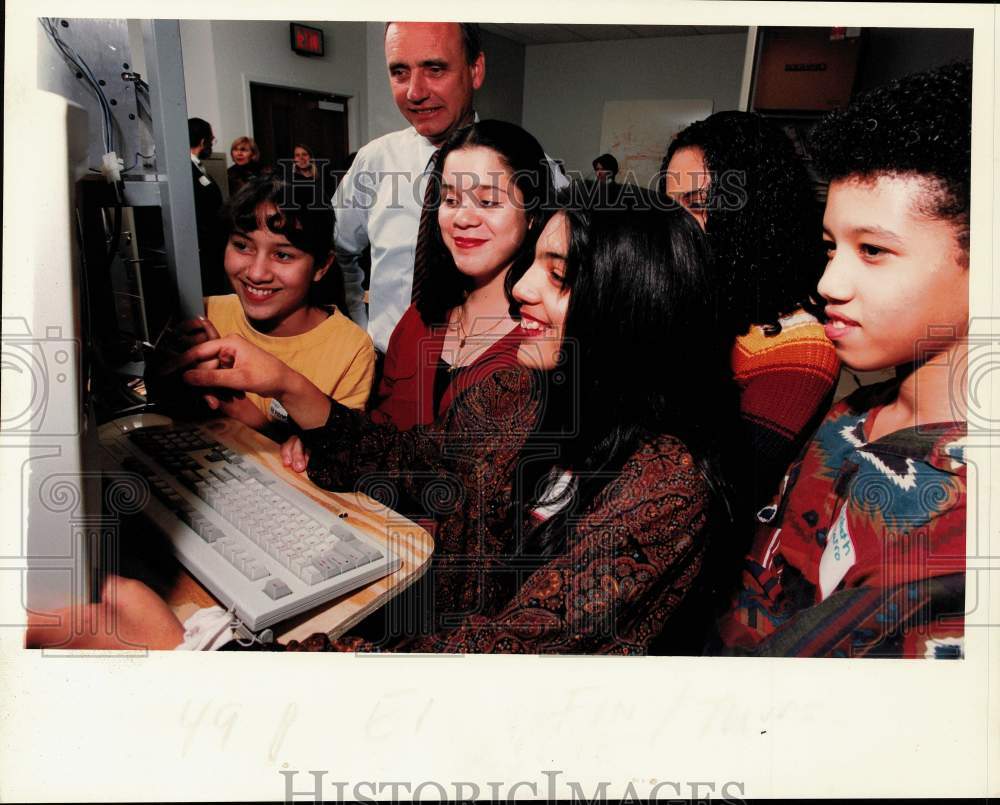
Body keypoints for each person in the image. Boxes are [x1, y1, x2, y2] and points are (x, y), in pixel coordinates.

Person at [29, 198, 741, 655]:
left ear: (628, 312)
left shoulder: (667, 485)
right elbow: (411, 460)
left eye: (558, 276)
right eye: (535, 266)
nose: (522, 287)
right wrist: (286, 384)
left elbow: (510, 654)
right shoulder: (523, 388)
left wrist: (227, 657)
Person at [715, 62, 970, 658]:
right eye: (832, 247)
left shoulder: (963, 514)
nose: (830, 281)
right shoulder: (852, 415)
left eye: (873, 250)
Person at [333, 22, 568, 358]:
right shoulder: (374, 162)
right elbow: (339, 251)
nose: (415, 91)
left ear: (475, 70)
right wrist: (358, 326)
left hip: (486, 369)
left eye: (435, 68)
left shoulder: (532, 166)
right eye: (400, 72)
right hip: (383, 363)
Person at [662, 111, 841, 511]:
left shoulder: (800, 349)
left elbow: (717, 492)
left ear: (755, 212)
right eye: (669, 205)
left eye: (699, 204)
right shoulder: (698, 291)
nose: (675, 225)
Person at [369, 120, 549, 432]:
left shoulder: (542, 342)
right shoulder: (418, 318)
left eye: (488, 201)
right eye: (451, 200)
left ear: (532, 214)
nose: (463, 218)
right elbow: (380, 428)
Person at [175, 175, 373, 435]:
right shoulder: (204, 314)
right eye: (242, 246)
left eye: (282, 255)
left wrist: (239, 409)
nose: (257, 273)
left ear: (321, 266)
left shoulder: (351, 350)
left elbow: (340, 453)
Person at [188, 117, 228, 295]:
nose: (212, 145)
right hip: (203, 250)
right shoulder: (186, 169)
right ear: (203, 141)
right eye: (211, 140)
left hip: (210, 248)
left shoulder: (197, 167)